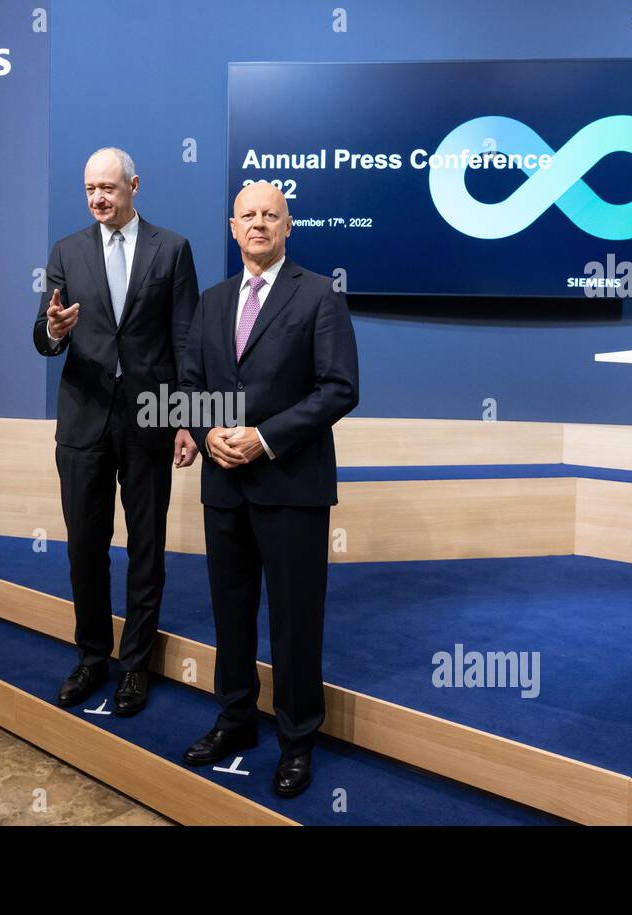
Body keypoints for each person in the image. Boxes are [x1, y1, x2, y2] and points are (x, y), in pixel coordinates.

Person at [177, 181, 358, 797]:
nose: (259, 224)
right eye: (248, 215)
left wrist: (264, 438)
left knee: (294, 623)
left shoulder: (319, 296)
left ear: (288, 226)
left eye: (270, 215)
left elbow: (338, 389)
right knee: (230, 617)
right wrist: (208, 435)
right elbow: (191, 384)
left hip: (291, 487)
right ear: (233, 228)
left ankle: (297, 740)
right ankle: (235, 721)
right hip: (224, 485)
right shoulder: (211, 300)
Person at [33, 147, 199, 716]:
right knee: (85, 546)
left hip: (150, 419)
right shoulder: (66, 251)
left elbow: (185, 343)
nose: (98, 198)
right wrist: (53, 330)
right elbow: (43, 333)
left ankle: (136, 667)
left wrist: (186, 420)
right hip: (83, 418)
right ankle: (91, 657)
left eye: (108, 187)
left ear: (134, 184)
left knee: (146, 548)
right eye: (88, 189)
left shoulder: (172, 250)